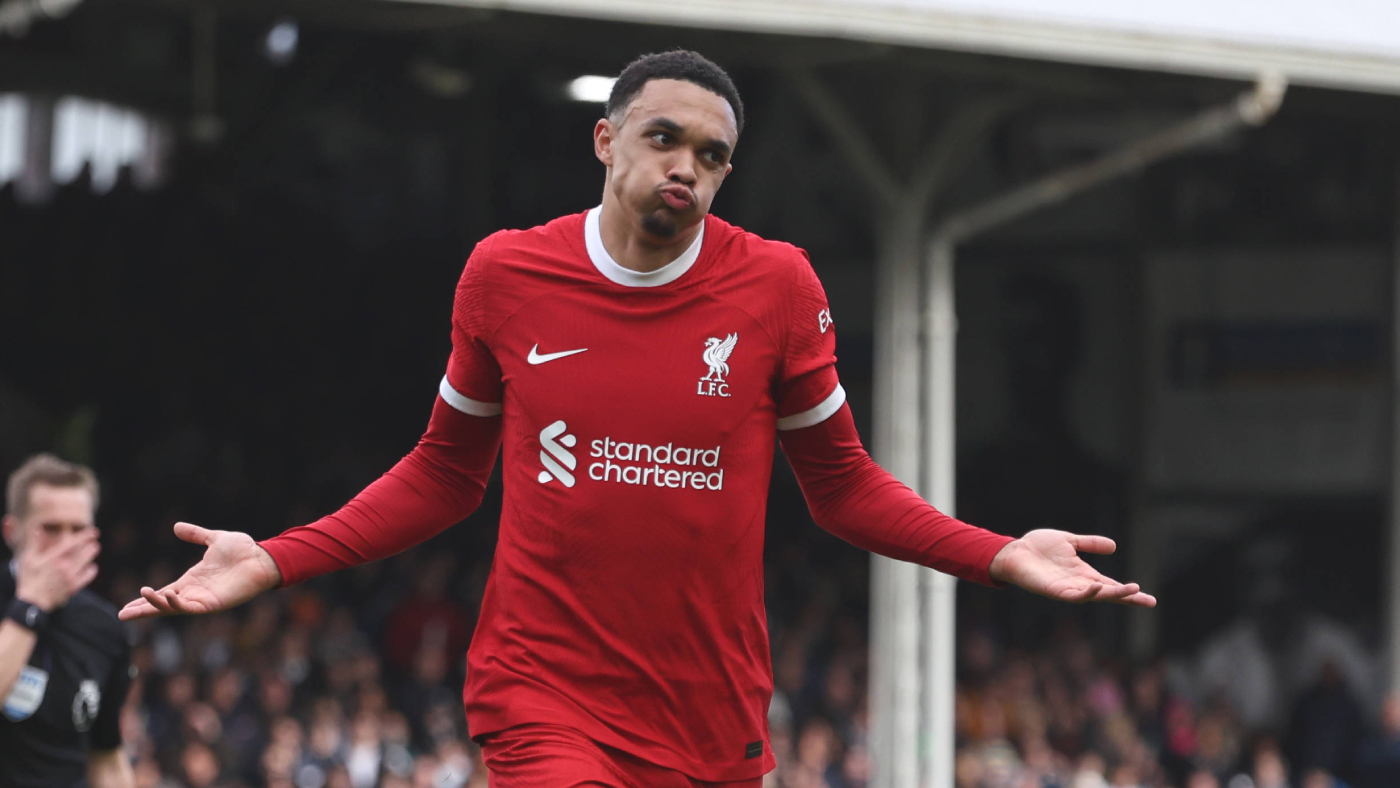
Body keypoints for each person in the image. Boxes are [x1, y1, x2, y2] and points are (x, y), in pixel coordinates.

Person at [118, 50, 1155, 787]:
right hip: (543, 690)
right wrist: (278, 559)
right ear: (606, 140)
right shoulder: (506, 274)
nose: (685, 168)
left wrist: (995, 553)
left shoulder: (777, 288)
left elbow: (841, 487)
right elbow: (444, 472)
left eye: (711, 155)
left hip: (710, 709)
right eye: (664, 138)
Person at [2, 454, 135, 788]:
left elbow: (107, 754)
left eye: (78, 530)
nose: (66, 544)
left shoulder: (106, 627)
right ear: (11, 532)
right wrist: (31, 606)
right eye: (51, 529)